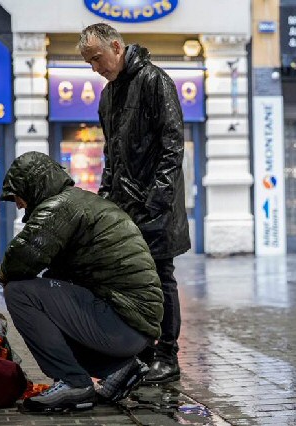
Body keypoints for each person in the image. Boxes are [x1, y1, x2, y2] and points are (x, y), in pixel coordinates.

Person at [0, 151, 163, 412]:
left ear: (34, 184)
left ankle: (73, 383)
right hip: (131, 325)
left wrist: (3, 276)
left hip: (122, 324)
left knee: (19, 292)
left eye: (17, 195)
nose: (18, 205)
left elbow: (19, 260)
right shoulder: (80, 202)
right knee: (47, 305)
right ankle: (118, 369)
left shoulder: (59, 207)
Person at [78, 23, 190, 384]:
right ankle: (140, 353)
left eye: (97, 58)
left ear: (115, 46)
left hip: (157, 206)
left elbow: (173, 144)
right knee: (129, 281)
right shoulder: (108, 95)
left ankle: (167, 356)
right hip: (125, 207)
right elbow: (112, 154)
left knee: (161, 276)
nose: (96, 67)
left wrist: (157, 198)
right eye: (90, 63)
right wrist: (105, 200)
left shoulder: (155, 81)